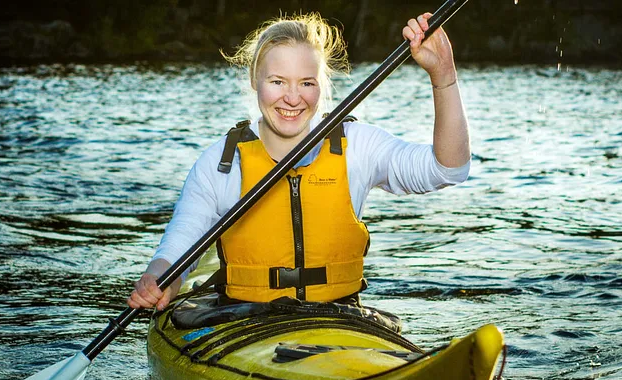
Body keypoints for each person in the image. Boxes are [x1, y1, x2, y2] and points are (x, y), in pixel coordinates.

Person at [127, 11, 470, 311]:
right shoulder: (222, 162)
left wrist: (443, 77)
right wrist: (159, 280)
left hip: (339, 317)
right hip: (242, 319)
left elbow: (449, 169)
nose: (292, 98)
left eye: (306, 82)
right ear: (254, 81)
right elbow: (179, 245)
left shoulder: (358, 147)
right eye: (277, 82)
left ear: (321, 85)